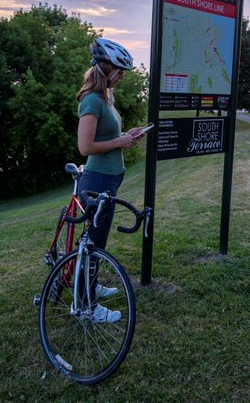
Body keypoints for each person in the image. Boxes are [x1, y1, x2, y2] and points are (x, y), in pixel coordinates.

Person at [76, 37, 144, 323]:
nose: (123, 76)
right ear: (106, 68)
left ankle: (90, 288)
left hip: (109, 179)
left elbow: (108, 138)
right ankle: (85, 306)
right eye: (120, 70)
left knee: (97, 242)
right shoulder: (91, 99)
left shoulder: (106, 97)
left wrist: (128, 135)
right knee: (91, 243)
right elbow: (86, 147)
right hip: (97, 181)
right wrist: (120, 141)